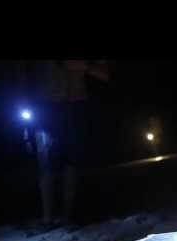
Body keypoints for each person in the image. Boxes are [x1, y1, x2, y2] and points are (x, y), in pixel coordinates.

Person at [19, 60, 110, 227]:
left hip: (74, 106)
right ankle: (47, 218)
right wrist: (27, 120)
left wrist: (84, 67)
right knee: (46, 162)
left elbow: (105, 74)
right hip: (46, 106)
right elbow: (26, 78)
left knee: (71, 162)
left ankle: (68, 215)